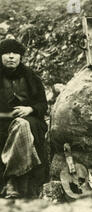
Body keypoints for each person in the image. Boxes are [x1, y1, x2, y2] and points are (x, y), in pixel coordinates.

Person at [0, 38, 48, 199]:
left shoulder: (31, 77)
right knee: (20, 126)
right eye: (7, 53)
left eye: (15, 53)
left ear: (20, 57)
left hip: (30, 120)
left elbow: (43, 105)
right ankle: (18, 180)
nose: (11, 56)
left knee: (22, 125)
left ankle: (12, 180)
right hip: (2, 122)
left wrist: (30, 108)